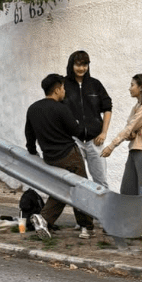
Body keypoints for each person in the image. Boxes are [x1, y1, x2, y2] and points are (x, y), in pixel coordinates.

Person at [24, 73, 95, 239]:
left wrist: (33, 152)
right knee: (81, 188)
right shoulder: (61, 108)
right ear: (56, 90)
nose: (64, 91)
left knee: (61, 190)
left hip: (50, 158)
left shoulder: (33, 109)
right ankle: (86, 227)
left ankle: (44, 219)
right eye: (63, 88)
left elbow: (29, 136)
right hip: (69, 155)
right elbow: (76, 132)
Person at [100, 73, 142, 239]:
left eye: (132, 85)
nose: (130, 88)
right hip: (136, 150)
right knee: (128, 189)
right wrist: (131, 133)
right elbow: (130, 129)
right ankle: (125, 225)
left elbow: (129, 129)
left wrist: (111, 146)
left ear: (141, 87)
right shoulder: (137, 107)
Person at [63, 50, 112, 188]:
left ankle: (101, 209)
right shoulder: (63, 84)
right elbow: (57, 110)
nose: (82, 68)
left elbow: (108, 107)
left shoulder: (95, 84)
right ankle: (81, 209)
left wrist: (103, 133)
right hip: (74, 141)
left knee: (101, 181)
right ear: (71, 65)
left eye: (85, 65)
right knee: (75, 181)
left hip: (95, 141)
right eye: (78, 65)